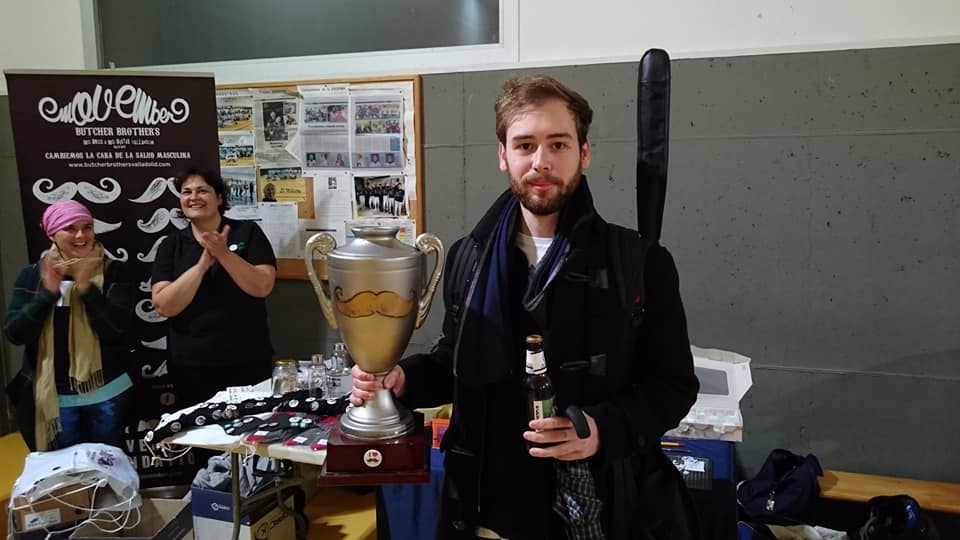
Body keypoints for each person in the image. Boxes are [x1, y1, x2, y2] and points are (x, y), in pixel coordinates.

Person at [350, 76, 699, 539]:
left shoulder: (638, 262)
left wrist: (603, 428)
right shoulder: (469, 257)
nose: (541, 161)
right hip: (484, 507)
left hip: (595, 506)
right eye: (525, 145)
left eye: (558, 144)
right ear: (503, 156)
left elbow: (673, 386)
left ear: (584, 153)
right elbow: (456, 359)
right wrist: (403, 378)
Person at [4, 200, 135, 451]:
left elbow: (117, 330)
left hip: (107, 395)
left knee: (107, 466)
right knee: (63, 470)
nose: (81, 235)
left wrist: (86, 288)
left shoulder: (113, 271)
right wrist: (47, 294)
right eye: (70, 228)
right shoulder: (32, 275)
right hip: (54, 399)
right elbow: (15, 333)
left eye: (87, 227)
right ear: (52, 234)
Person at [151, 168, 277, 409]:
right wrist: (201, 266)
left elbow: (263, 286)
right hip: (190, 364)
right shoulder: (171, 245)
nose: (193, 197)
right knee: (197, 430)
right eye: (186, 192)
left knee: (251, 428)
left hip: (247, 358)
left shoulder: (248, 232)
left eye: (202, 191)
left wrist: (223, 253)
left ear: (219, 198)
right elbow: (164, 306)